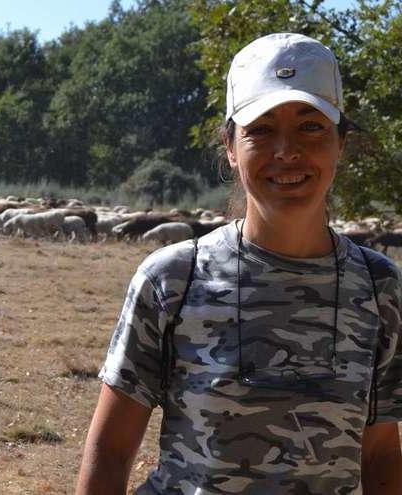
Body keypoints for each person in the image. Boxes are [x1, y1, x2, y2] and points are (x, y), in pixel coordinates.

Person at [76, 33, 402, 494]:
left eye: (311, 127)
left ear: (340, 144)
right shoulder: (173, 279)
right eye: (261, 129)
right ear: (231, 146)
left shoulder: (380, 285)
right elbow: (110, 450)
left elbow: (381, 452)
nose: (287, 151)